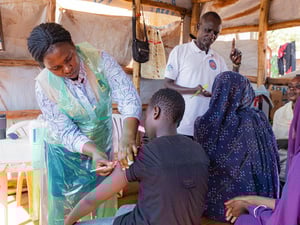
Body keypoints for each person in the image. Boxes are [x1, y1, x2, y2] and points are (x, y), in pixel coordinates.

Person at [27, 23, 142, 224]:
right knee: (66, 209)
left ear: (74, 45)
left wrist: (127, 134)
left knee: (102, 198)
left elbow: (127, 95)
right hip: (64, 155)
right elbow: (65, 131)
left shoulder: (100, 60)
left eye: (69, 58)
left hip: (102, 143)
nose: (67, 68)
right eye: (56, 68)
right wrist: (93, 152)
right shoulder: (43, 86)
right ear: (44, 67)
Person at [64, 88, 210, 225]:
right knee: (126, 208)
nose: (144, 121)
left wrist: (68, 221)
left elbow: (91, 200)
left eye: (146, 114)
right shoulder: (198, 149)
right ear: (179, 119)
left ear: (155, 112)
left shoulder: (146, 153)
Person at [194, 71, 280, 222]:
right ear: (243, 92)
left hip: (209, 208)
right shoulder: (255, 119)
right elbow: (272, 157)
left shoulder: (204, 123)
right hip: (251, 208)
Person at [164, 11, 242, 137]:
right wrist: (193, 90)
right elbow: (167, 84)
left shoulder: (218, 59)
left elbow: (230, 85)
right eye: (208, 30)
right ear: (198, 27)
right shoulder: (180, 52)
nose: (211, 35)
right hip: (183, 126)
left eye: (215, 33)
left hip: (208, 129)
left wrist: (236, 65)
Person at [224, 97, 300, 225]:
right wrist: (250, 200)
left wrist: (251, 208)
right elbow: (291, 206)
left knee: (244, 220)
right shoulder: (257, 118)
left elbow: (287, 218)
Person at [272, 76, 300, 184]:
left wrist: (288, 143)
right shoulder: (280, 112)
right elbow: (274, 140)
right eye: (290, 87)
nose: (292, 90)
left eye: (297, 87)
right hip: (282, 170)